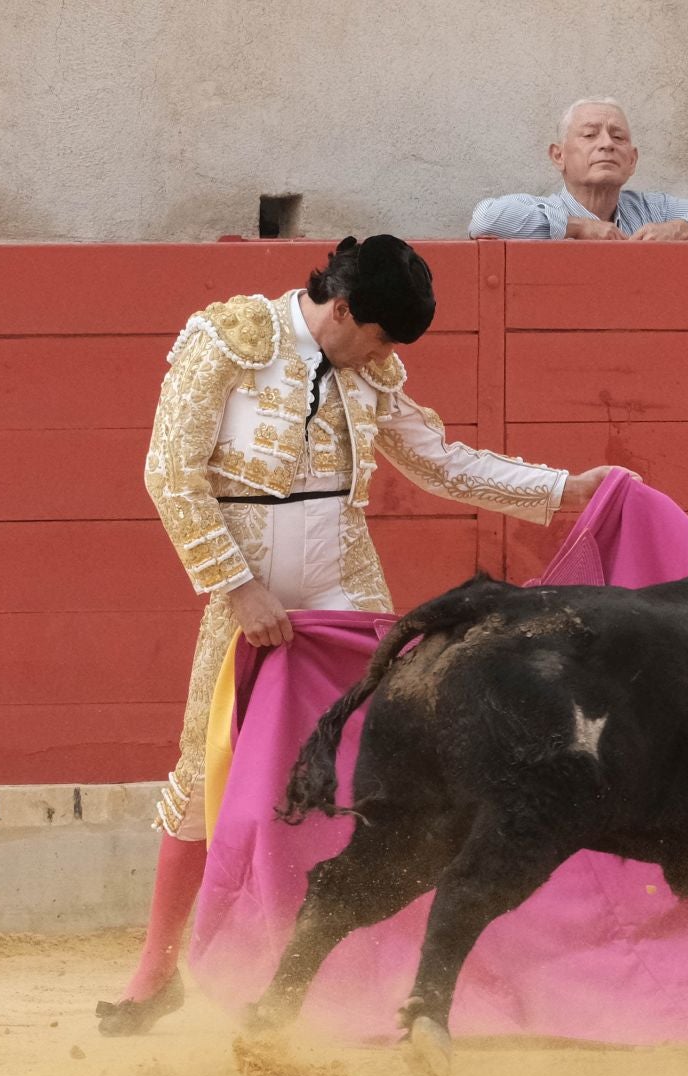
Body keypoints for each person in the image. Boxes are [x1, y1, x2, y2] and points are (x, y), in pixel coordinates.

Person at [97, 234, 625, 1034]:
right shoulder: (229, 340)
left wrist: (558, 490)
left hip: (345, 594)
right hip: (249, 596)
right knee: (204, 780)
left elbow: (440, 463)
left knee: (393, 779)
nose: (383, 355)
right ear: (342, 308)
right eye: (378, 336)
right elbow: (170, 472)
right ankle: (155, 971)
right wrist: (238, 589)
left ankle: (374, 977)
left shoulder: (371, 366)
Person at [468, 98, 688, 242]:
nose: (606, 145)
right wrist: (580, 227)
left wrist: (680, 229)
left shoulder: (656, 211)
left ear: (632, 160)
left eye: (618, 137)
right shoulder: (540, 209)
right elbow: (485, 220)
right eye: (589, 135)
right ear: (558, 156)